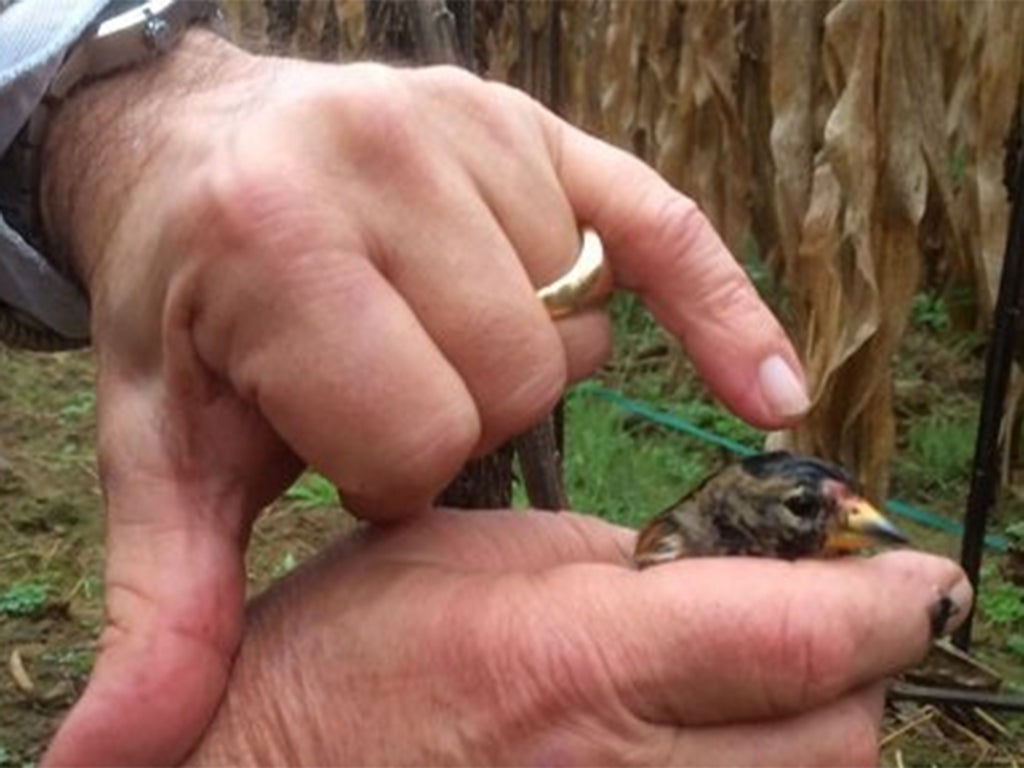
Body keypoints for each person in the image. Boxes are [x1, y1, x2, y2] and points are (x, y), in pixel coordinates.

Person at [0, 7, 970, 765]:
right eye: (813, 509)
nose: (846, 528)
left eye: (837, 514)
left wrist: (116, 120)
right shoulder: (681, 542)